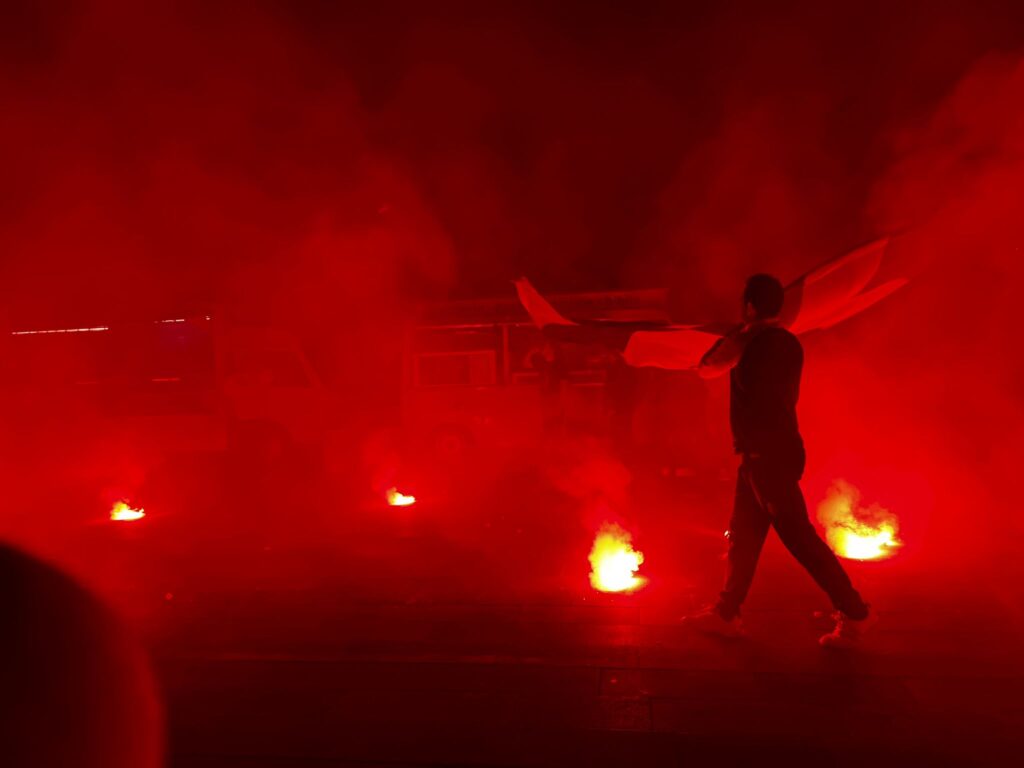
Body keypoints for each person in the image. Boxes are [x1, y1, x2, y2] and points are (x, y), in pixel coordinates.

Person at [685, 274, 875, 648]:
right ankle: (726, 612)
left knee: (801, 540)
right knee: (744, 537)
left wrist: (733, 336)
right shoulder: (789, 343)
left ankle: (855, 613)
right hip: (771, 453)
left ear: (750, 306)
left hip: (764, 457)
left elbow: (705, 365)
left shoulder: (748, 344)